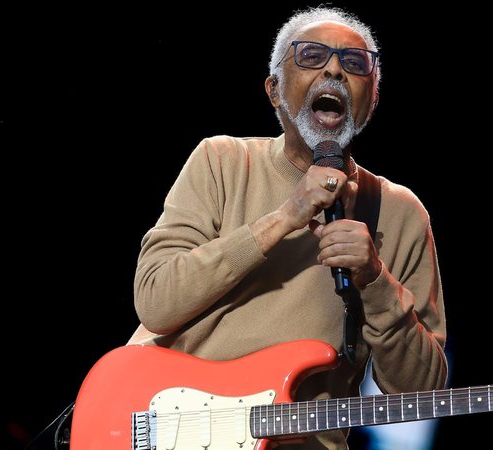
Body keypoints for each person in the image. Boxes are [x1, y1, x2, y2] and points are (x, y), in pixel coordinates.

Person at [127, 6, 447, 449]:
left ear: (371, 99)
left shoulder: (400, 212)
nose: (335, 68)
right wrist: (283, 218)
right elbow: (156, 303)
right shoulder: (220, 161)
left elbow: (420, 394)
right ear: (275, 90)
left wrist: (376, 280)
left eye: (355, 64)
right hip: (175, 434)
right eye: (312, 55)